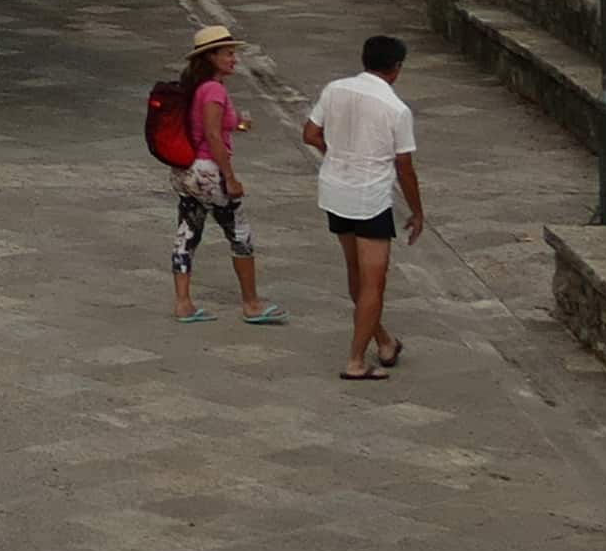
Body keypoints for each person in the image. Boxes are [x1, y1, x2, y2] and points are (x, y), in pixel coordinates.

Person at [301, 34, 427, 381]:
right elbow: (405, 166)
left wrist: (338, 155)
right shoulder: (396, 109)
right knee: (374, 282)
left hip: (334, 191)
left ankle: (384, 341)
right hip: (369, 198)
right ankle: (356, 360)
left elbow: (310, 133)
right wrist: (417, 211)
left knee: (355, 272)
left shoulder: (335, 89)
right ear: (397, 68)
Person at [162, 22, 279, 327]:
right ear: (212, 57)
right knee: (239, 233)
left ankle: (183, 303)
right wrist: (230, 177)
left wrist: (236, 124)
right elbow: (213, 136)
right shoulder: (214, 90)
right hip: (209, 172)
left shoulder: (195, 88)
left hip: (186, 172)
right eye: (228, 54)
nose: (234, 59)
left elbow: (206, 128)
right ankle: (251, 304)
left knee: (187, 233)